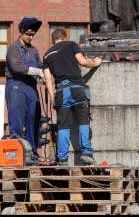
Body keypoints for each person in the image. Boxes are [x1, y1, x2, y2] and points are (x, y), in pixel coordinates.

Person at [41, 28, 103, 165]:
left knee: (63, 126)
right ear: (64, 37)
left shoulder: (46, 55)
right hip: (76, 88)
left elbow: (47, 77)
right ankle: (86, 153)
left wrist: (53, 97)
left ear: (53, 40)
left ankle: (62, 159)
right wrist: (96, 62)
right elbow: (83, 62)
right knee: (83, 121)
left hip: (61, 91)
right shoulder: (71, 45)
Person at [5, 16, 45, 162]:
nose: (31, 37)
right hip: (17, 86)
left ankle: (31, 154)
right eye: (29, 34)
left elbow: (40, 66)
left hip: (31, 88)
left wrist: (45, 72)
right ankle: (16, 155)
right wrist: (37, 72)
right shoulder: (13, 48)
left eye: (33, 35)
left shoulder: (34, 51)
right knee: (16, 121)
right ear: (21, 32)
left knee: (32, 122)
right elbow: (17, 67)